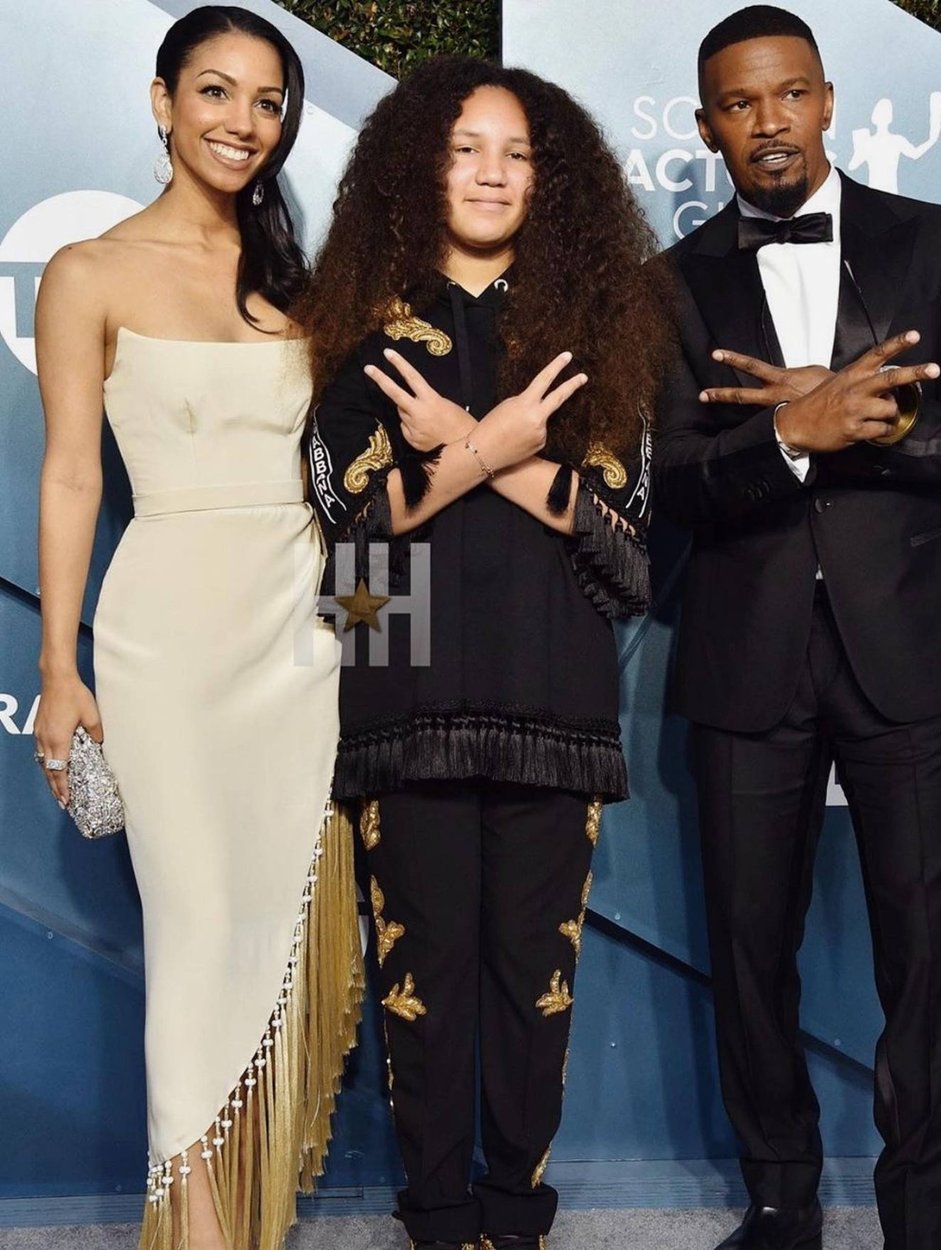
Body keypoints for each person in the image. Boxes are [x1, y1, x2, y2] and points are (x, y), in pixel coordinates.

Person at [651, 7, 941, 1250]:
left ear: (825, 99)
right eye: (740, 104)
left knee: (925, 950)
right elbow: (669, 481)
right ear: (709, 125)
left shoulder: (937, 242)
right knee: (747, 949)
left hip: (904, 647)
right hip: (741, 650)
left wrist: (858, 426)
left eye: (789, 95)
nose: (769, 123)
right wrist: (782, 437)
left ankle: (919, 1210)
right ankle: (779, 1200)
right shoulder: (672, 284)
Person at [299, 56, 663, 1250]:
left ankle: (516, 1211)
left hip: (554, 694)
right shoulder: (359, 322)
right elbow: (348, 528)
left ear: (548, 179)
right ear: (419, 165)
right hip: (402, 689)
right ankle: (436, 1212)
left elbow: (621, 538)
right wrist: (490, 449)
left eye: (514, 151)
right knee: (425, 980)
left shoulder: (596, 330)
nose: (492, 171)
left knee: (532, 985)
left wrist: (470, 445)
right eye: (465, 147)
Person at [32, 8, 363, 1248]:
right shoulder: (90, 271)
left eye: (268, 101)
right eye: (215, 92)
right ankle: (200, 1231)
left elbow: (355, 496)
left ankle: (247, 1212)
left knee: (275, 929)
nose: (241, 122)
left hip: (307, 637)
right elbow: (72, 478)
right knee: (193, 933)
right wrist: (56, 666)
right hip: (167, 639)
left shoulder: (305, 284)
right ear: (162, 100)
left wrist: (383, 646)